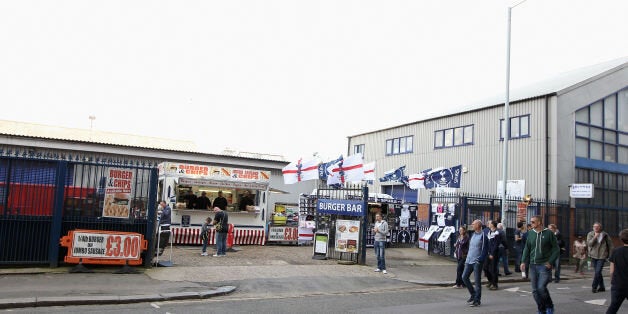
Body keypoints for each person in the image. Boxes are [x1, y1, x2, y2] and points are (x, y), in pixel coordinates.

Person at [520, 215, 559, 314]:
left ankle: (549, 306)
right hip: (533, 265)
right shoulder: (530, 234)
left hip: (544, 265)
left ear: (539, 223)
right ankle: (541, 310)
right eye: (531, 222)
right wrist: (523, 261)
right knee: (534, 291)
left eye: (533, 222)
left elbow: (556, 249)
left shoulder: (549, 233)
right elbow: (527, 248)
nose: (531, 223)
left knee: (541, 288)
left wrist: (550, 262)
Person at [462, 219, 489, 307]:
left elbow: (485, 250)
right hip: (469, 260)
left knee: (477, 281)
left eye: (473, 224)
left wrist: (480, 259)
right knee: (464, 277)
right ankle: (473, 294)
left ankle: (477, 300)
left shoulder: (484, 236)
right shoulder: (473, 234)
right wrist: (467, 258)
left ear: (478, 225)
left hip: (477, 262)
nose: (472, 225)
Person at [587, 222, 614, 293]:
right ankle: (602, 287)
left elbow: (611, 245)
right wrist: (595, 237)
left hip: (602, 256)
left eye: (597, 227)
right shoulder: (590, 234)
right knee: (598, 272)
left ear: (600, 228)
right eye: (594, 226)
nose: (595, 228)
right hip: (593, 255)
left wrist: (611, 256)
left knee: (598, 271)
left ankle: (594, 287)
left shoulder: (605, 235)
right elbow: (589, 244)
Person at [606, 228, 628, 314]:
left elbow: (612, 268)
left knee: (613, 307)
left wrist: (612, 280)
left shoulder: (616, 251)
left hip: (618, 284)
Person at [484, 220, 501, 290]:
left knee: (493, 269)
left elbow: (496, 245)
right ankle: (490, 281)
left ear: (493, 225)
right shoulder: (489, 232)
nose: (488, 224)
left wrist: (492, 253)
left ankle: (495, 284)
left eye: (490, 223)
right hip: (488, 253)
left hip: (494, 254)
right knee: (485, 268)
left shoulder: (497, 233)